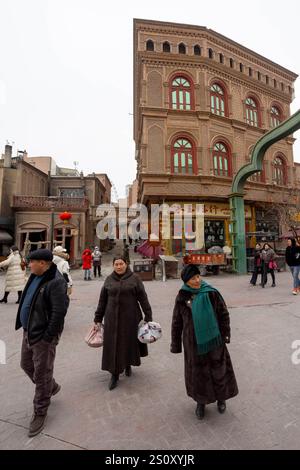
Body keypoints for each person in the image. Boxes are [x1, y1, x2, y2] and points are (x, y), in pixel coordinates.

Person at [171, 264, 238, 420]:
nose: (197, 280)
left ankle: (221, 399)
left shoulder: (211, 293)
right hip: (193, 344)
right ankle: (201, 403)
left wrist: (225, 335)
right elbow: (176, 322)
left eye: (198, 277)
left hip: (214, 341)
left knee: (218, 370)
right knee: (198, 375)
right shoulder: (182, 296)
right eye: (193, 278)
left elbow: (223, 314)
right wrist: (175, 344)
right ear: (186, 281)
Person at [15, 249, 69, 437]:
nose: (29, 265)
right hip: (29, 330)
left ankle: (40, 411)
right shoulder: (35, 275)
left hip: (43, 337)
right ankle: (50, 387)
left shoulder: (56, 281)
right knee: (26, 364)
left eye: (32, 262)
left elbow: (59, 312)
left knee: (42, 373)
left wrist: (48, 337)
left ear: (43, 263)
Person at [93, 255, 153, 390]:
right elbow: (102, 300)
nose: (119, 266)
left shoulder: (135, 279)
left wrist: (148, 315)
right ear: (113, 265)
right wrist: (98, 318)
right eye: (116, 264)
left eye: (121, 264)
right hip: (111, 319)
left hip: (130, 317)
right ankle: (114, 374)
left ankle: (128, 364)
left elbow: (143, 298)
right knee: (113, 345)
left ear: (126, 264)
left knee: (128, 342)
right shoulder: (109, 280)